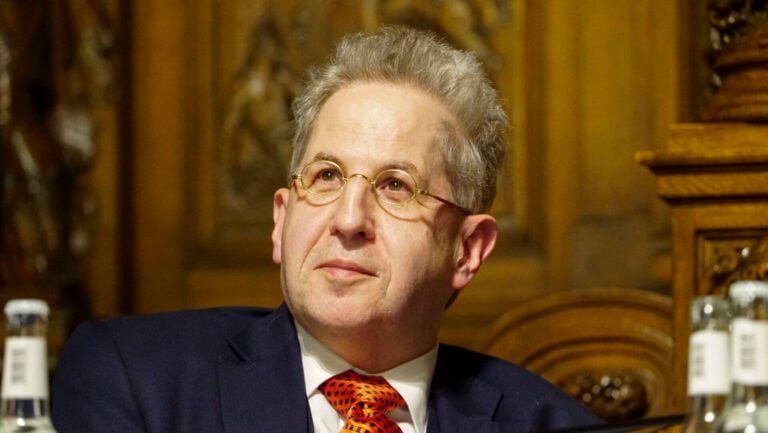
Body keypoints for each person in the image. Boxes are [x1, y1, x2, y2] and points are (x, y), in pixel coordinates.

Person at [51, 26, 602, 433]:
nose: (347, 220)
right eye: (327, 176)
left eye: (395, 186)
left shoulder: (550, 425)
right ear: (281, 219)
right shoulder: (135, 381)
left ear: (467, 249)